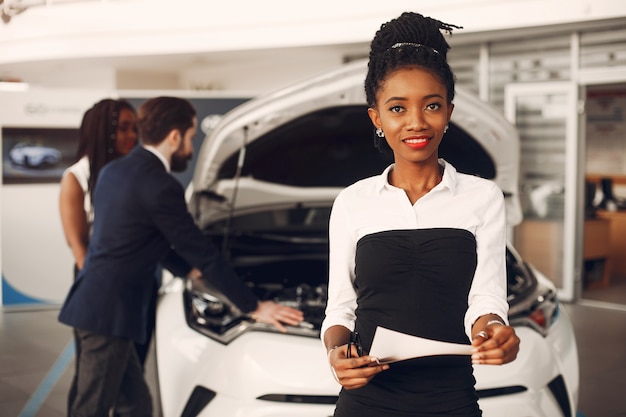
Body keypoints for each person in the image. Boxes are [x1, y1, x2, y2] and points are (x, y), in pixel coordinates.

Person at [321, 12, 520, 417]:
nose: (416, 122)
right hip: (366, 402)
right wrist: (337, 354)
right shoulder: (353, 202)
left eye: (431, 105)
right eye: (397, 108)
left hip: (451, 400)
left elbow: (486, 298)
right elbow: (340, 309)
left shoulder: (483, 198)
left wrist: (494, 332)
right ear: (377, 118)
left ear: (448, 111)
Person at [58, 96, 304, 417]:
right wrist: (255, 306)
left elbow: (141, 238)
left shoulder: (113, 173)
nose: (189, 147)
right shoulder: (160, 185)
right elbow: (202, 252)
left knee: (135, 405)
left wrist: (187, 271)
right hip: (109, 314)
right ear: (174, 137)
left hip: (95, 305)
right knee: (91, 408)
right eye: (190, 137)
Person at [59, 98, 141, 417]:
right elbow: (78, 247)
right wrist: (105, 293)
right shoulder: (76, 177)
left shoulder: (126, 173)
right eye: (122, 128)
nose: (131, 135)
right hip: (99, 288)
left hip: (127, 290)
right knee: (92, 385)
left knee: (126, 389)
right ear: (101, 131)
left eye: (134, 128)